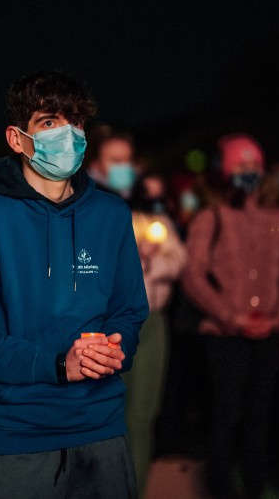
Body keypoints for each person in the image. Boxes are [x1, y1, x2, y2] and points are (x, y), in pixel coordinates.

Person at [0, 70, 148, 498]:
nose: (67, 135)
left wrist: (112, 347)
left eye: (76, 123)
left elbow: (129, 310)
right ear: (17, 139)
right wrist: (57, 364)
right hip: (19, 436)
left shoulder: (111, 214)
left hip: (102, 428)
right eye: (50, 123)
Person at [181, 133, 279, 498]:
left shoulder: (277, 217)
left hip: (269, 332)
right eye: (241, 166)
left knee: (259, 418)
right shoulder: (211, 216)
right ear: (227, 171)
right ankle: (221, 490)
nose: (249, 172)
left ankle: (254, 489)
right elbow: (193, 274)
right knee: (225, 414)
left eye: (254, 166)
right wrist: (231, 316)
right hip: (225, 336)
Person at [126, 172, 187, 493]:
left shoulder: (160, 221)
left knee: (144, 412)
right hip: (118, 323)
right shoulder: (118, 218)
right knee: (114, 410)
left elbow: (179, 260)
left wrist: (153, 261)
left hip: (154, 321)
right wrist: (140, 256)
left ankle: (136, 485)